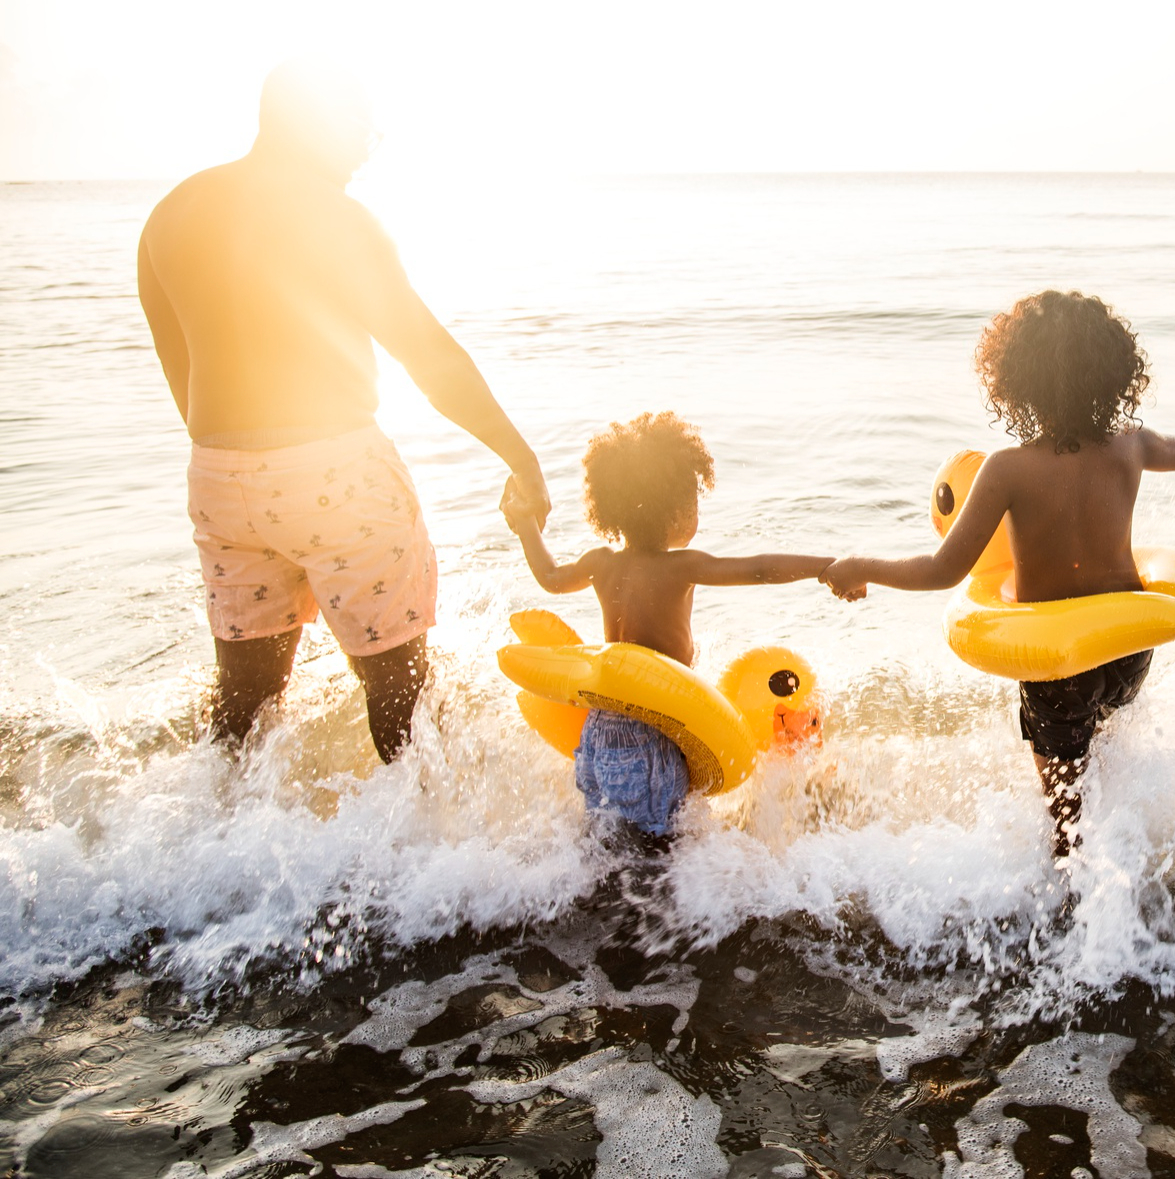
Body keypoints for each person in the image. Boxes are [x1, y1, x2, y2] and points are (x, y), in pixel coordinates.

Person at [137, 60, 551, 763]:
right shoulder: (339, 218)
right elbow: (429, 357)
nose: (369, 144)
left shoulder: (172, 213)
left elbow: (183, 373)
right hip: (335, 469)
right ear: (320, 123)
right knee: (399, 688)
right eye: (363, 125)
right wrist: (522, 458)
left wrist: (241, 461)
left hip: (218, 478)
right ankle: (424, 857)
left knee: (244, 698)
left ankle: (212, 848)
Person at [822, 291, 1175, 853]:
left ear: (1015, 382)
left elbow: (943, 569)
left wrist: (859, 565)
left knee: (1066, 820)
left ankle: (1073, 909)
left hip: (1057, 665)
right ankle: (1124, 869)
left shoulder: (1007, 469)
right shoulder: (1132, 446)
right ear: (1113, 372)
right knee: (1108, 754)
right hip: (1127, 648)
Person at [502, 411, 834, 839]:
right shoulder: (683, 567)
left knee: (606, 848)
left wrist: (525, 523)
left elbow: (548, 577)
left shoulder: (600, 563)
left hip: (597, 734)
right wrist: (825, 567)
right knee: (661, 854)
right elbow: (758, 569)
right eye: (692, 500)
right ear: (675, 510)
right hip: (652, 738)